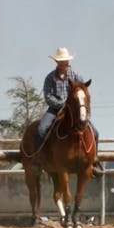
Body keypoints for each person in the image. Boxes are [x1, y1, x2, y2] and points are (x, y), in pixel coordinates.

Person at [34, 47, 104, 178]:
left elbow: (83, 94)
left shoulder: (76, 76)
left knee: (95, 132)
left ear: (68, 61)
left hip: (75, 111)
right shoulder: (50, 78)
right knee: (41, 129)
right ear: (56, 62)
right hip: (55, 110)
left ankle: (94, 160)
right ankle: (39, 159)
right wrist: (61, 104)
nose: (62, 63)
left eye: (64, 61)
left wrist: (81, 110)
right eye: (60, 61)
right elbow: (48, 96)